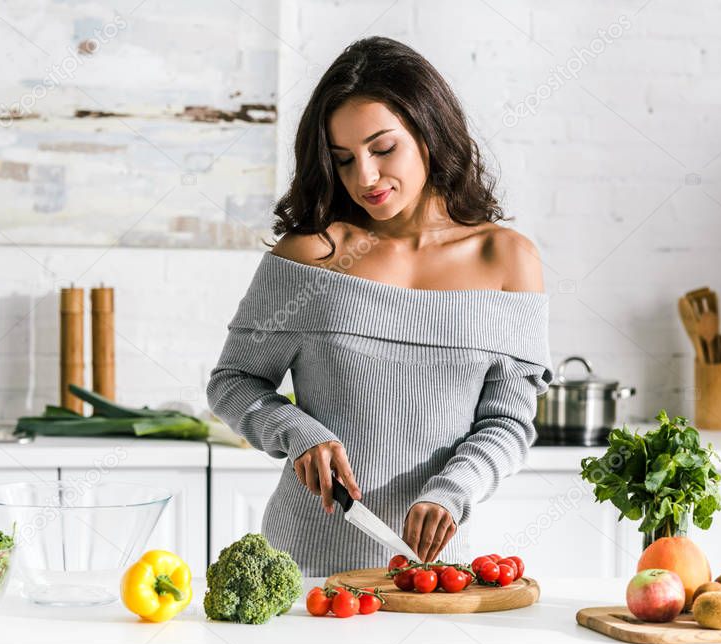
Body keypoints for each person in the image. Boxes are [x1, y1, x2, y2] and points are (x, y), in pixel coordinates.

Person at [206, 36, 552, 577]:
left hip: (438, 573)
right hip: (308, 571)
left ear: (429, 132)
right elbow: (233, 383)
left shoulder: (507, 261)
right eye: (343, 160)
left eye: (382, 148)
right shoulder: (313, 256)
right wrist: (299, 433)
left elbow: (508, 422)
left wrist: (454, 489)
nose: (364, 177)